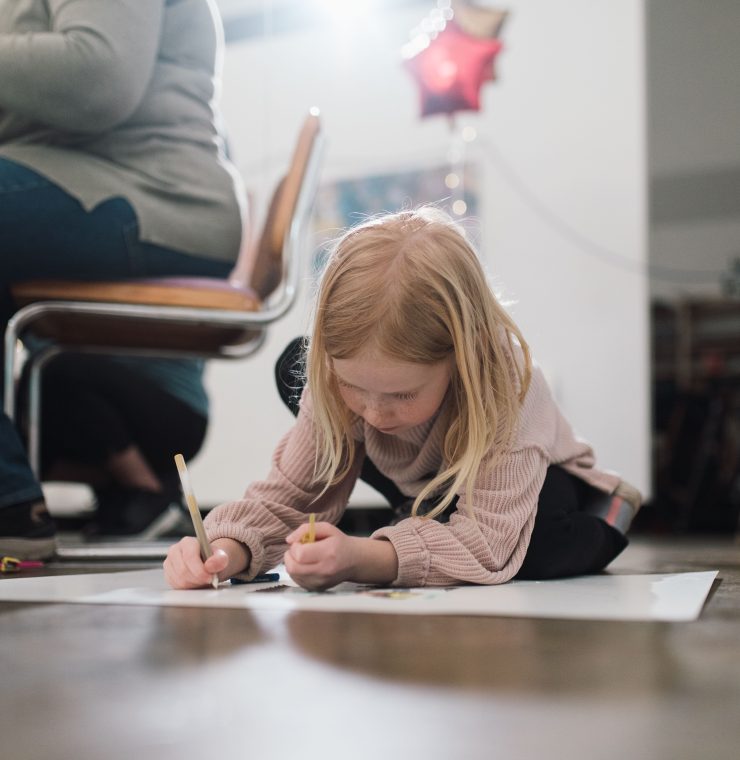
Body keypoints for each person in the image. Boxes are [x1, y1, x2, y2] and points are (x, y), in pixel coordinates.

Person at [164, 208, 642, 591]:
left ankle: (609, 512)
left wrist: (364, 558)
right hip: (431, 487)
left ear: (463, 356)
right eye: (355, 386)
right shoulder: (337, 384)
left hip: (546, 488)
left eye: (401, 394)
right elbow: (291, 495)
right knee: (293, 363)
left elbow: (490, 543)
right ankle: (422, 524)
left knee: (527, 552)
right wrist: (226, 549)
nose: (374, 412)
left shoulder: (508, 380)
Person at [0, 0, 246, 559]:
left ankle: (12, 499)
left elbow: (98, 74)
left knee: (60, 385)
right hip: (100, 183)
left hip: (142, 193)